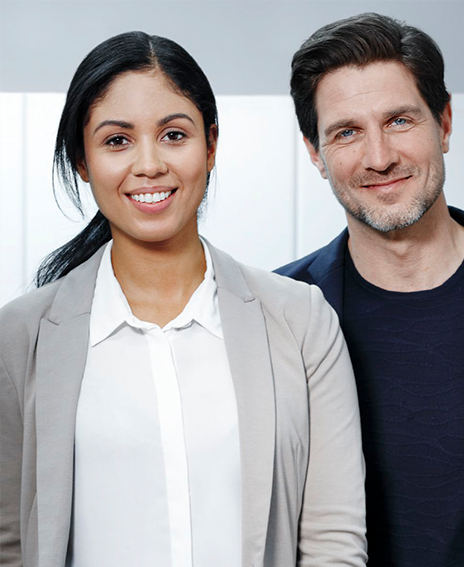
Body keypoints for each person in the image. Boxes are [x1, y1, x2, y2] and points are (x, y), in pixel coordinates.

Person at [0, 32, 367, 567]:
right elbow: (8, 541)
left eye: (174, 134)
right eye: (117, 141)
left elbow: (333, 543)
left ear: (211, 145)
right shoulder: (18, 339)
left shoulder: (301, 322)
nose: (148, 165)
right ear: (82, 159)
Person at [277, 12, 464, 566]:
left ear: (446, 122)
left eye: (400, 121)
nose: (379, 156)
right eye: (346, 132)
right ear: (315, 154)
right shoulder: (275, 316)